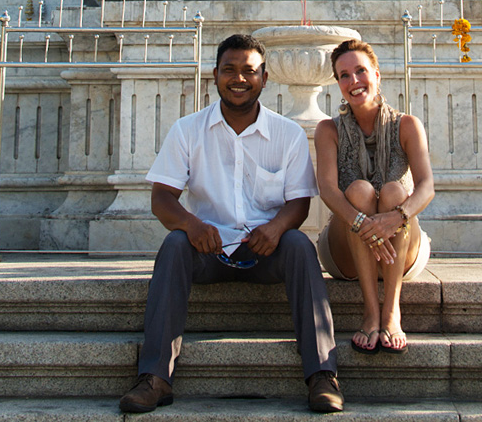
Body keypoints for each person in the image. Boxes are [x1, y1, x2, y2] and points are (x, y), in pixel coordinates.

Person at [119, 34, 343, 414]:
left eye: (249, 71)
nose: (239, 78)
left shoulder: (287, 134)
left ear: (265, 78)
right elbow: (162, 198)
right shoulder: (187, 130)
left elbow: (299, 203)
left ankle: (323, 374)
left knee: (300, 247)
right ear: (215, 75)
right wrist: (191, 225)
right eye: (229, 70)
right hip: (206, 250)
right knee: (173, 245)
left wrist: (275, 228)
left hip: (265, 251)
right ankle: (154, 377)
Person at [314, 39, 434, 355]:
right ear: (337, 84)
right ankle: (370, 311)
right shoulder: (329, 130)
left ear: (376, 75)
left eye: (360, 71)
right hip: (345, 249)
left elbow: (426, 186)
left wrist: (396, 217)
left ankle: (391, 311)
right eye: (343, 75)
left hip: (401, 243)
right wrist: (363, 224)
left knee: (395, 191)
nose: (353, 81)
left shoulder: (407, 125)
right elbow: (327, 190)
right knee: (359, 191)